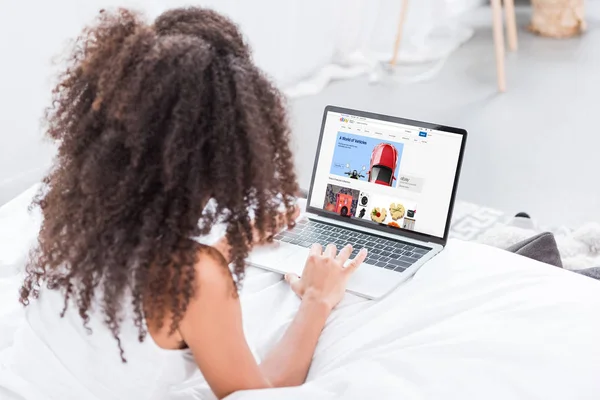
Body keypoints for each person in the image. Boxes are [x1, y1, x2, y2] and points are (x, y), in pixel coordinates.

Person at [0, 7, 367, 400]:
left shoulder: (69, 210)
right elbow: (258, 393)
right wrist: (317, 299)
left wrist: (234, 243)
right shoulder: (194, 281)